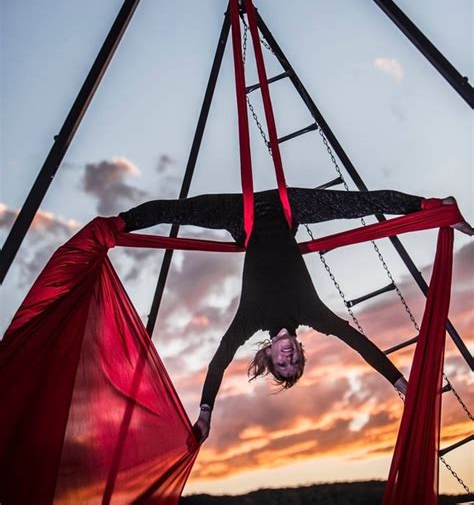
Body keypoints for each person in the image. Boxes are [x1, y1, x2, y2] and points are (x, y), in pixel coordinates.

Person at [119, 188, 472, 443]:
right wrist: (401, 385)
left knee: (178, 211)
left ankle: (119, 223)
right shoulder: (311, 312)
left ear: (269, 354)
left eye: (282, 365)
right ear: (301, 350)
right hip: (288, 208)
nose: (288, 360)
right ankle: (435, 206)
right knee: (356, 204)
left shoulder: (250, 319)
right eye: (296, 364)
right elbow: (359, 344)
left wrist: (205, 414)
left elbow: (218, 363)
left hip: (241, 216)